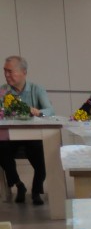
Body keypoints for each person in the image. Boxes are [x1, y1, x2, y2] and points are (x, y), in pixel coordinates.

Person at [0, 56, 53, 205]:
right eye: (5, 71)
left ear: (23, 72)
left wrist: (39, 112)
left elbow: (50, 110)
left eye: (10, 71)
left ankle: (36, 191)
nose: (6, 75)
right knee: (1, 149)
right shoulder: (3, 91)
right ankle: (19, 185)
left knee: (41, 155)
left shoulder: (37, 89)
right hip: (10, 136)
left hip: (33, 136)